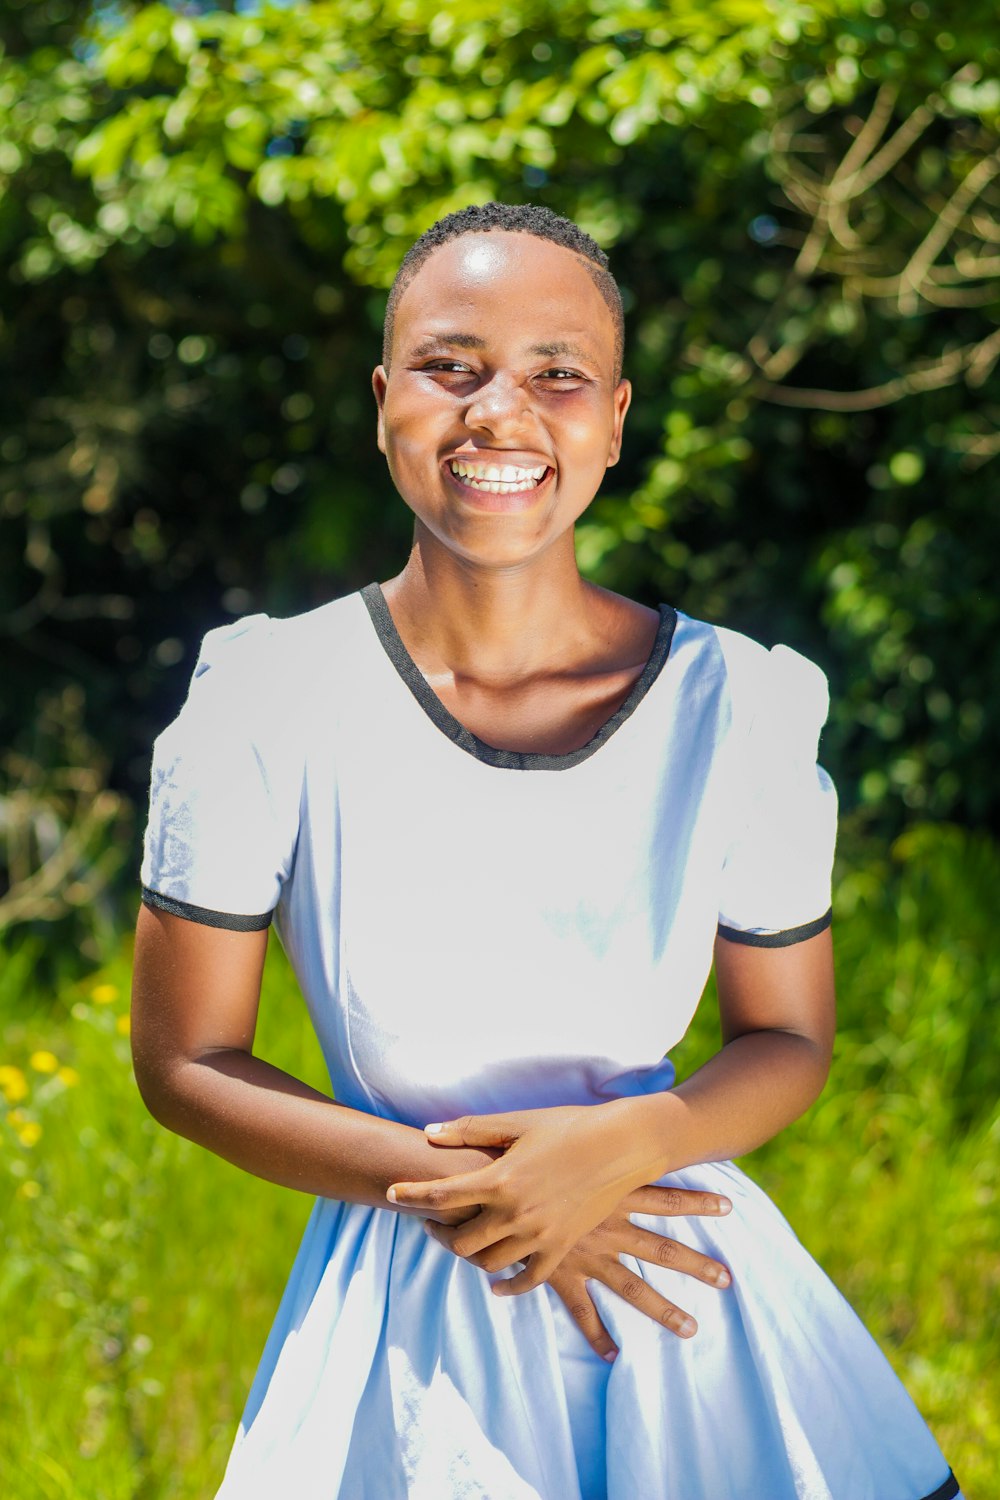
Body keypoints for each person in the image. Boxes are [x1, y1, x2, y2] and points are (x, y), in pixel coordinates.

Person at [131, 202, 962, 1500]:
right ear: (382, 399)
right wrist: (480, 1193)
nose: (499, 412)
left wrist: (621, 1148)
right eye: (449, 365)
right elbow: (184, 1062)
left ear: (616, 420)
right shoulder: (262, 697)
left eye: (557, 374)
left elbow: (790, 1041)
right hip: (411, 1327)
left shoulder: (739, 703)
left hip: (689, 1297)